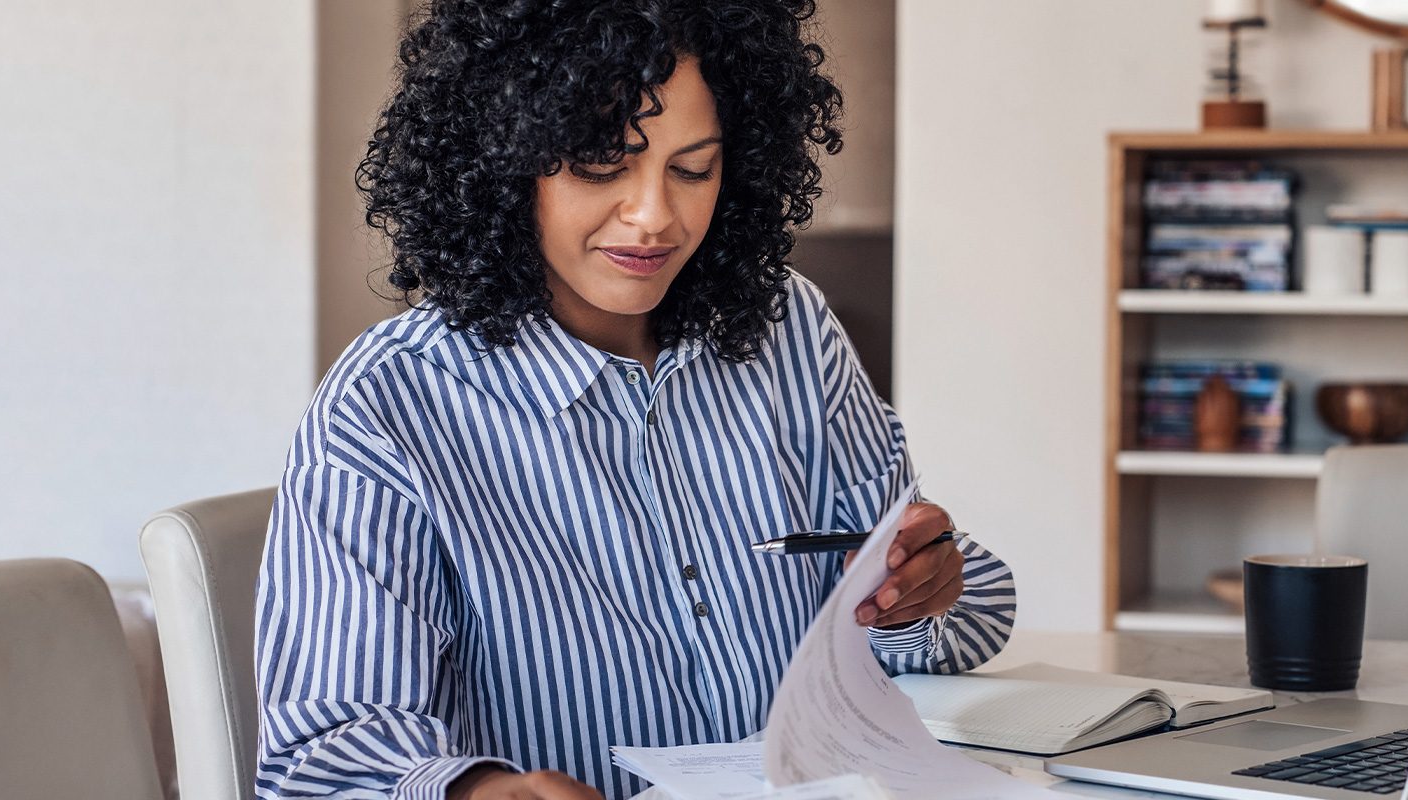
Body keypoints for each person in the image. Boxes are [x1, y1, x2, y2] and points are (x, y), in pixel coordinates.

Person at [253, 2, 1016, 798]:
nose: (655, 217)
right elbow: (324, 759)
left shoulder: (789, 329)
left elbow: (947, 623)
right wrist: (476, 792)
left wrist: (914, 595)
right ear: (505, 163)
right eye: (600, 164)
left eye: (693, 170)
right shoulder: (391, 404)